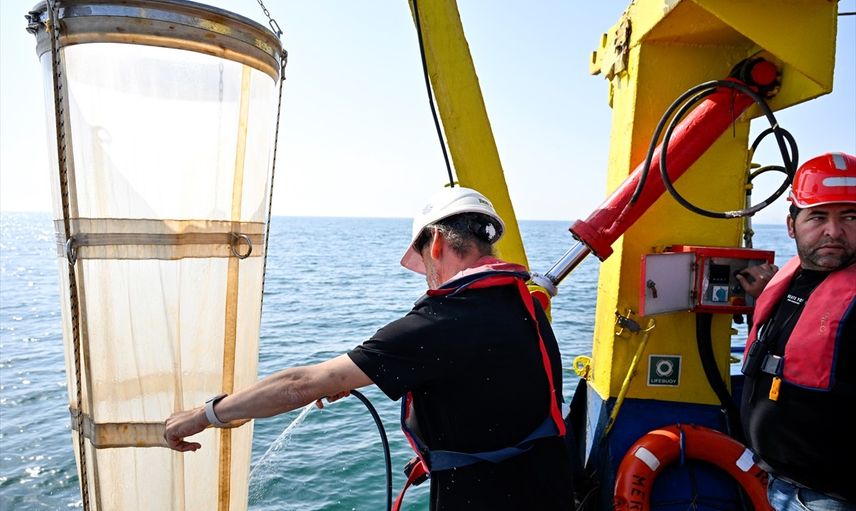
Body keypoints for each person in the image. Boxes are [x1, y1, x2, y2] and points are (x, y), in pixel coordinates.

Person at [164, 186, 574, 510]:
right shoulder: (521, 300)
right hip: (548, 488)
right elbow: (485, 374)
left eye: (423, 260)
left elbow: (299, 384)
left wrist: (204, 415)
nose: (426, 276)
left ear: (434, 243)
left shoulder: (440, 322)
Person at [737, 152, 856, 511]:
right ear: (792, 226)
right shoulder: (791, 281)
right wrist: (763, 297)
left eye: (850, 217)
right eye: (818, 217)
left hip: (828, 498)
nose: (833, 231)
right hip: (777, 484)